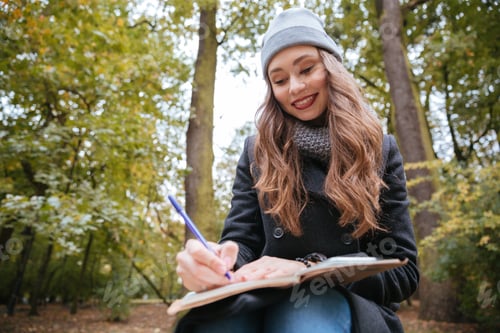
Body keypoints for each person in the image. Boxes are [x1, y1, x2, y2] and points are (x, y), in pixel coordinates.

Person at [174, 7, 419, 333]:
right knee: (212, 324)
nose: (295, 87)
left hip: (347, 306)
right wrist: (219, 262)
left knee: (303, 319)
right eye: (279, 79)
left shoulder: (379, 150)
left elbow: (404, 271)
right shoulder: (256, 152)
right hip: (263, 300)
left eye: (306, 69)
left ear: (332, 68)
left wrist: (309, 269)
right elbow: (242, 243)